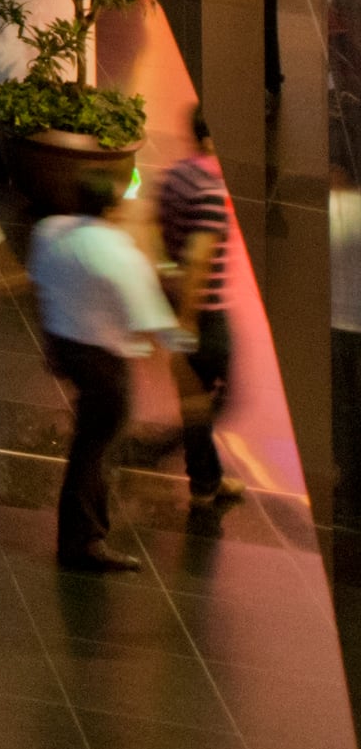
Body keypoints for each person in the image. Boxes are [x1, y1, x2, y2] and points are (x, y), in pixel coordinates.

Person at [31, 192, 173, 573]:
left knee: (90, 444)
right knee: (96, 449)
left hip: (67, 347)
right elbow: (149, 318)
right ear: (113, 209)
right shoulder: (121, 256)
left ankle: (83, 536)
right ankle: (84, 541)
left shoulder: (51, 232)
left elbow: (40, 283)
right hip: (104, 365)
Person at [154, 119, 239, 513]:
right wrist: (187, 320)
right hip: (202, 311)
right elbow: (201, 256)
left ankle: (208, 476)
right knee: (219, 395)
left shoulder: (174, 176)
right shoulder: (208, 189)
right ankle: (203, 483)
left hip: (180, 301)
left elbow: (157, 230)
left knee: (198, 397)